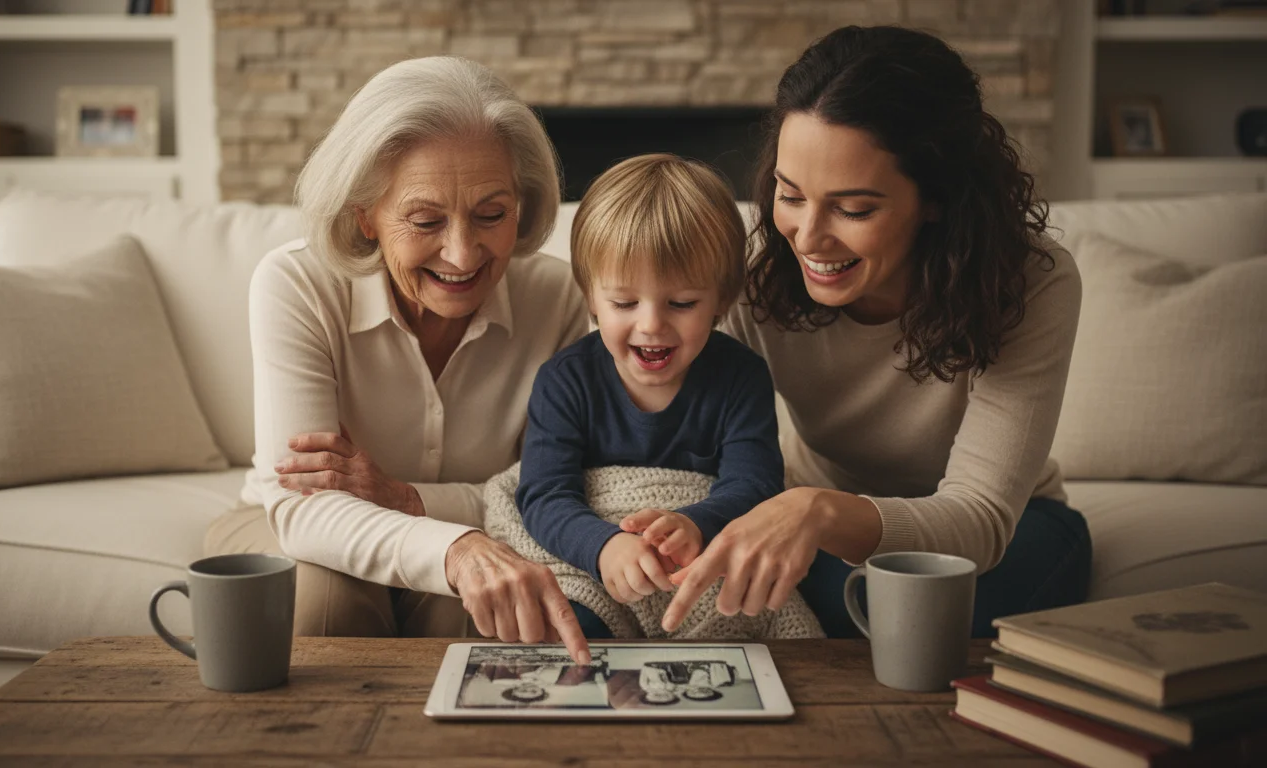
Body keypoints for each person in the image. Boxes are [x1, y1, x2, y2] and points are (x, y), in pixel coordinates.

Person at [655, 26, 1092, 638]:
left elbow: (980, 518)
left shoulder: (1029, 283)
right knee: (798, 593)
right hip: (817, 532)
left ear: (937, 198)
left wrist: (817, 511)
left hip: (1009, 534)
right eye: (789, 195)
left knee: (913, 607)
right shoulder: (753, 280)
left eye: (854, 209)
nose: (808, 238)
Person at [203, 56, 591, 663]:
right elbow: (304, 510)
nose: (462, 255)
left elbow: (550, 490)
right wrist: (456, 546)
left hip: (489, 531)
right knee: (329, 597)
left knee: (476, 610)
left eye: (492, 214)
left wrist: (409, 500)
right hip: (282, 523)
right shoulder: (297, 283)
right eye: (425, 219)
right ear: (365, 215)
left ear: (523, 202)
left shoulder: (560, 299)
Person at [514, 154, 786, 638]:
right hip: (592, 564)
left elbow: (756, 486)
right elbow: (543, 496)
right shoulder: (564, 380)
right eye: (624, 302)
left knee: (751, 614)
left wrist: (697, 522)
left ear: (722, 302)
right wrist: (603, 547)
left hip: (695, 565)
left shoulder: (741, 377)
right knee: (565, 622)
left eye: (681, 303)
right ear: (590, 297)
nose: (652, 325)